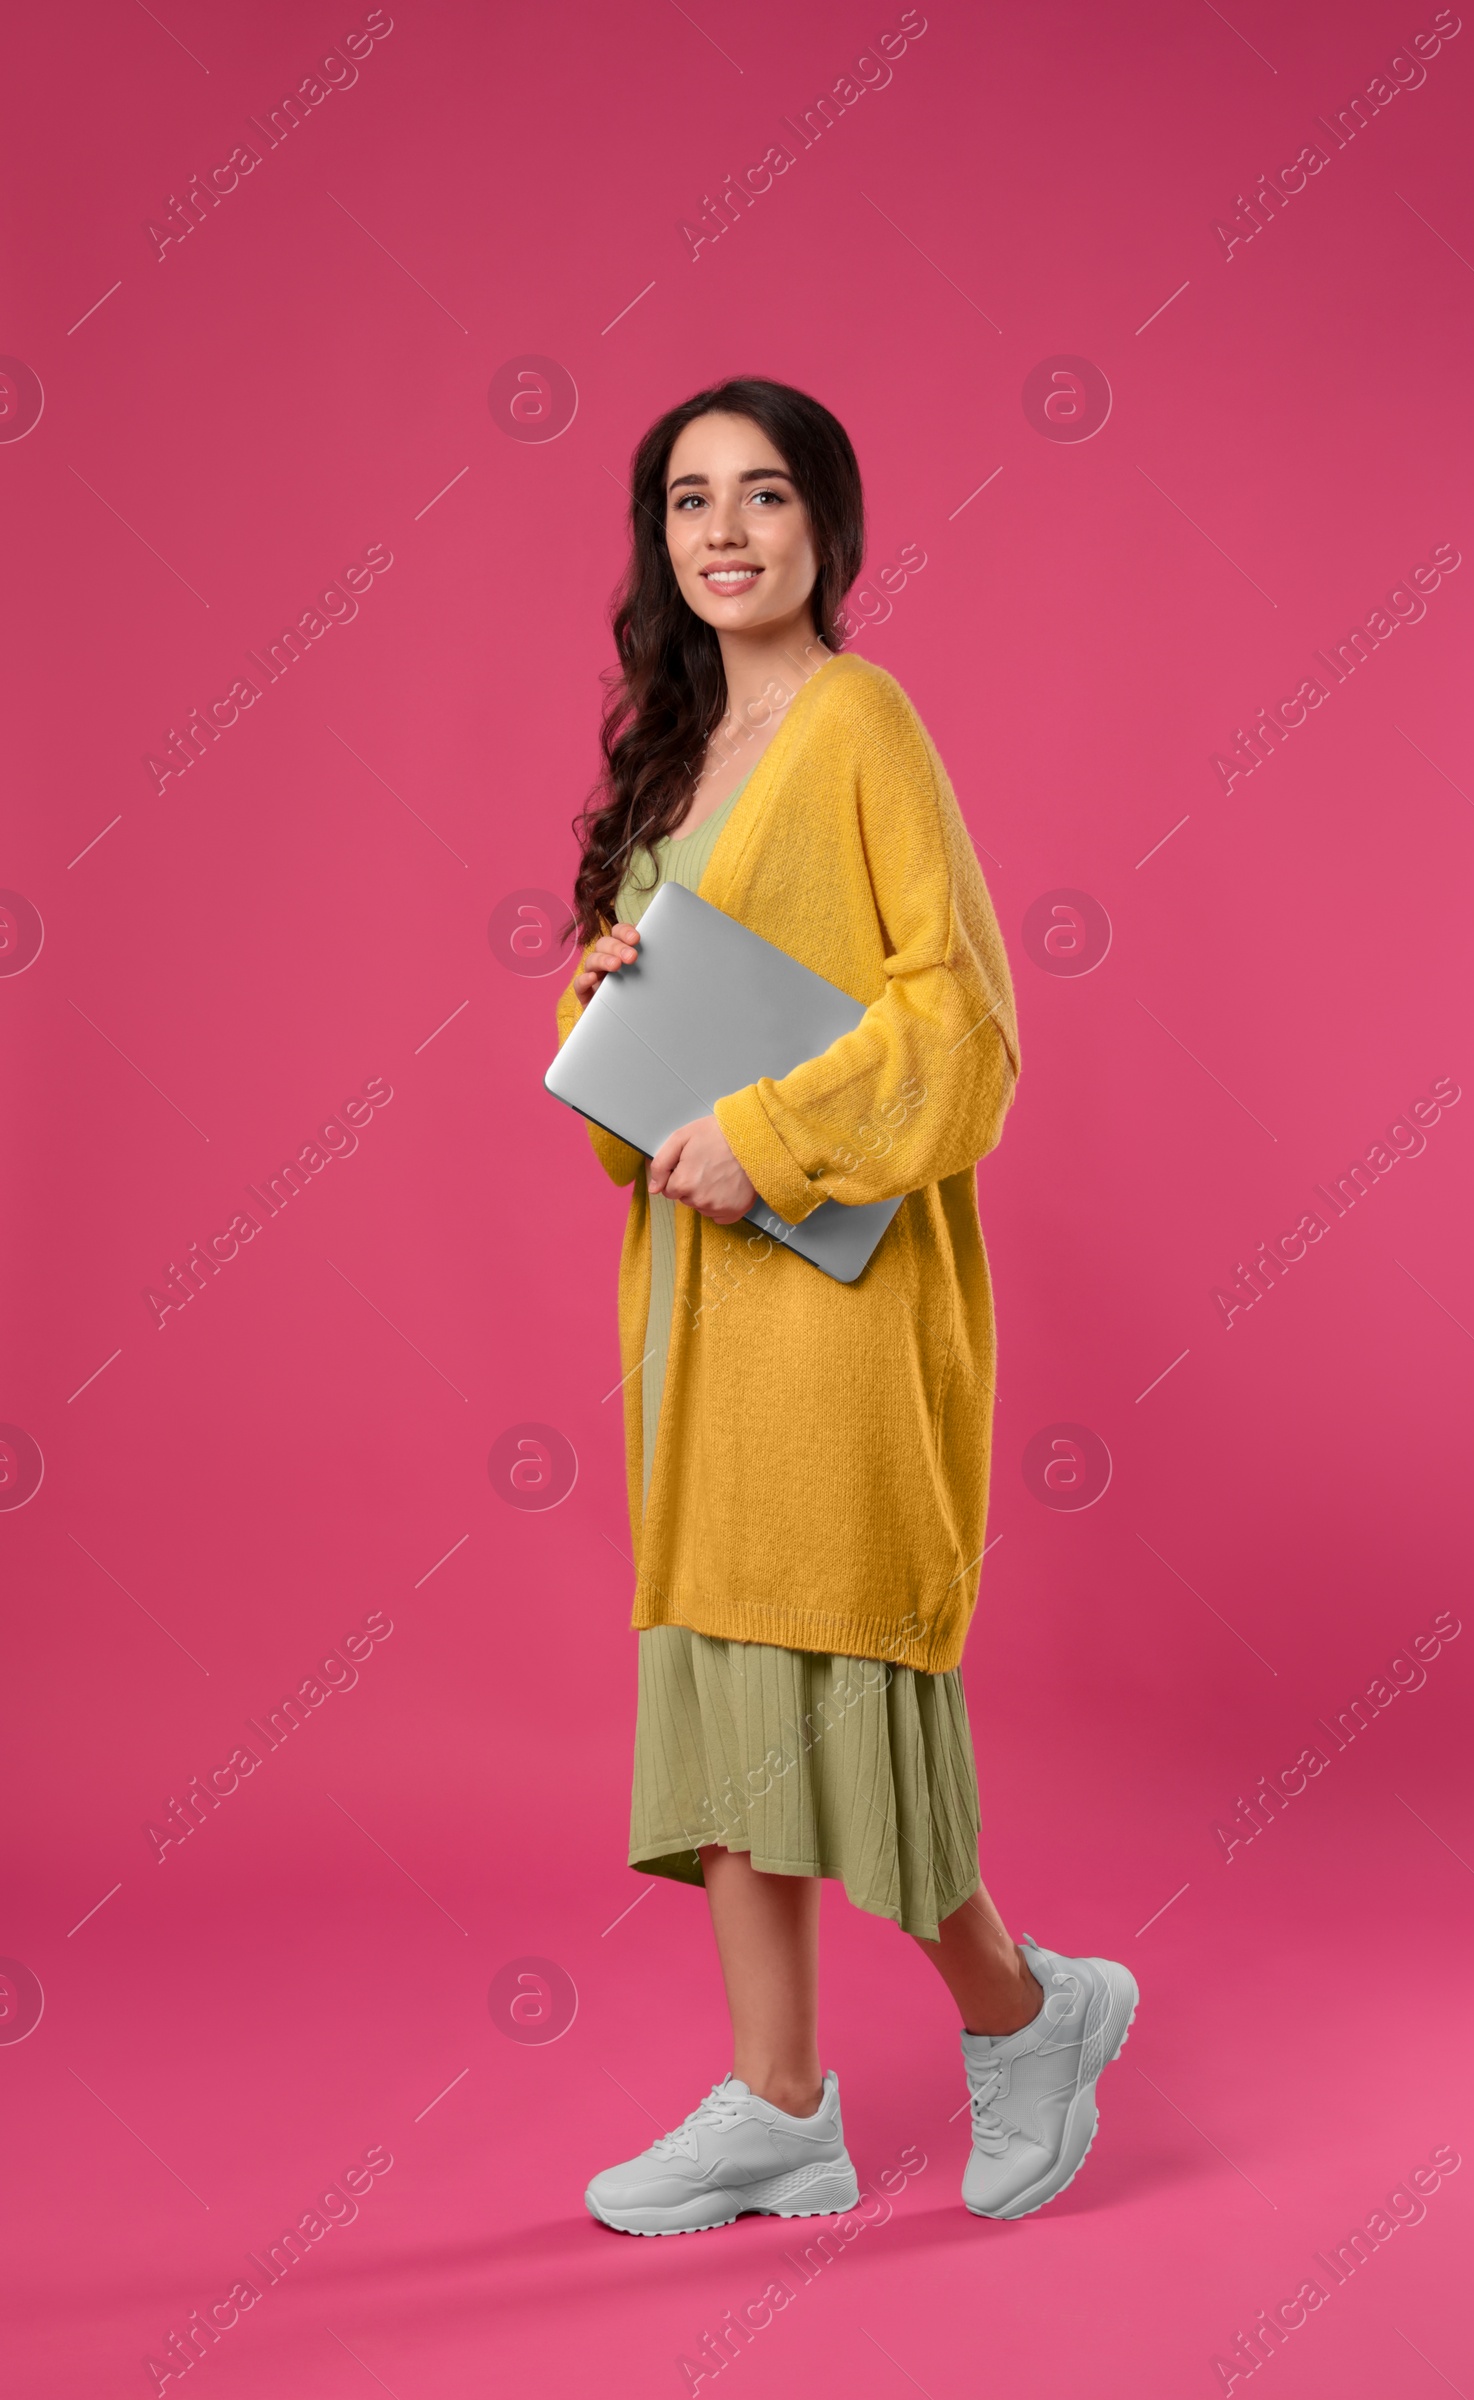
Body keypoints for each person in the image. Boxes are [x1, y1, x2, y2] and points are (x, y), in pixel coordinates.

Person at [553, 376, 1136, 2234]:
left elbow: (962, 1026)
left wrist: (773, 1134)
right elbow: (629, 1126)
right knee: (726, 1680)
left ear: (827, 529)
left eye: (766, 496)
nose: (725, 531)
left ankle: (1031, 2014)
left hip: (841, 1298)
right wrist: (608, 1002)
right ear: (662, 541)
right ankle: (782, 2099)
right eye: (691, 502)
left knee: (844, 1688)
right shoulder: (675, 758)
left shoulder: (864, 721)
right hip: (698, 1316)